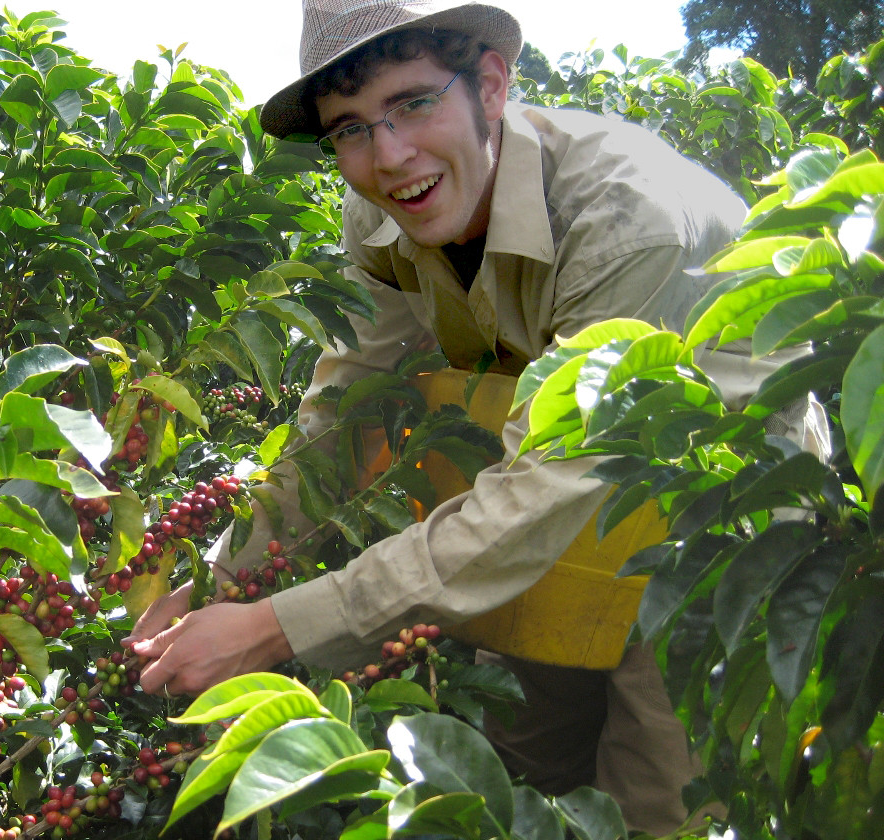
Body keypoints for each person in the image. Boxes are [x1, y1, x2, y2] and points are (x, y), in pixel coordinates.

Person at [125, 0, 827, 834]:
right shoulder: (383, 215)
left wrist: (280, 627)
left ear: (490, 85)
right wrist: (223, 581)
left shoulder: (623, 222)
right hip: (571, 514)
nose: (389, 157)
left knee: (660, 800)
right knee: (519, 777)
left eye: (415, 103)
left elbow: (547, 486)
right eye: (349, 128)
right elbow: (340, 413)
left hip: (717, 527)